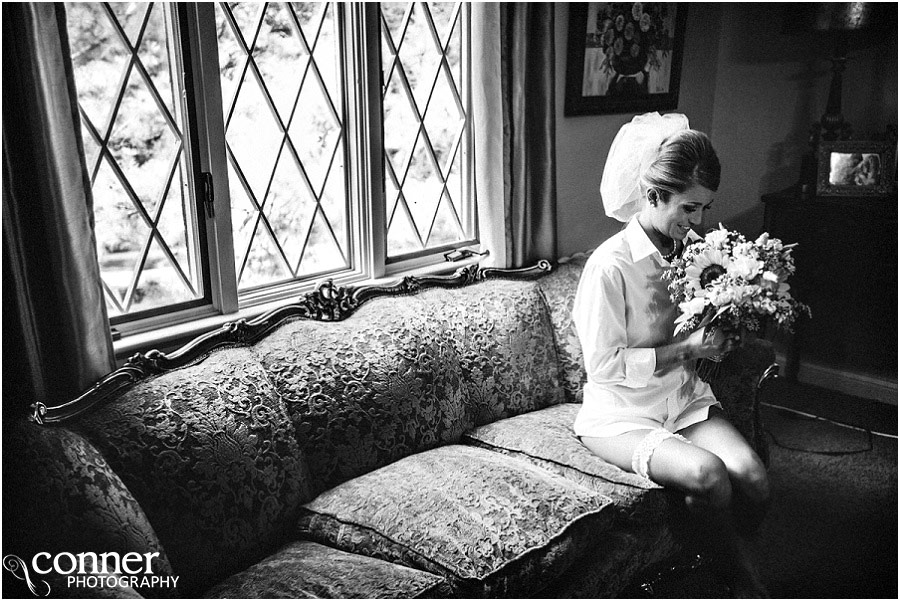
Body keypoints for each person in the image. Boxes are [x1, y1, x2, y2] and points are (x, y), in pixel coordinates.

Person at [572, 112, 770, 597]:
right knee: (709, 474)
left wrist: (723, 334)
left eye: (704, 208)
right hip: (621, 415)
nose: (697, 222)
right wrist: (686, 347)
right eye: (687, 208)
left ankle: (720, 562)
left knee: (754, 476)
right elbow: (602, 367)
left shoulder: (696, 253)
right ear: (653, 195)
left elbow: (701, 331)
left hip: (680, 399)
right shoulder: (609, 267)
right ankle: (739, 580)